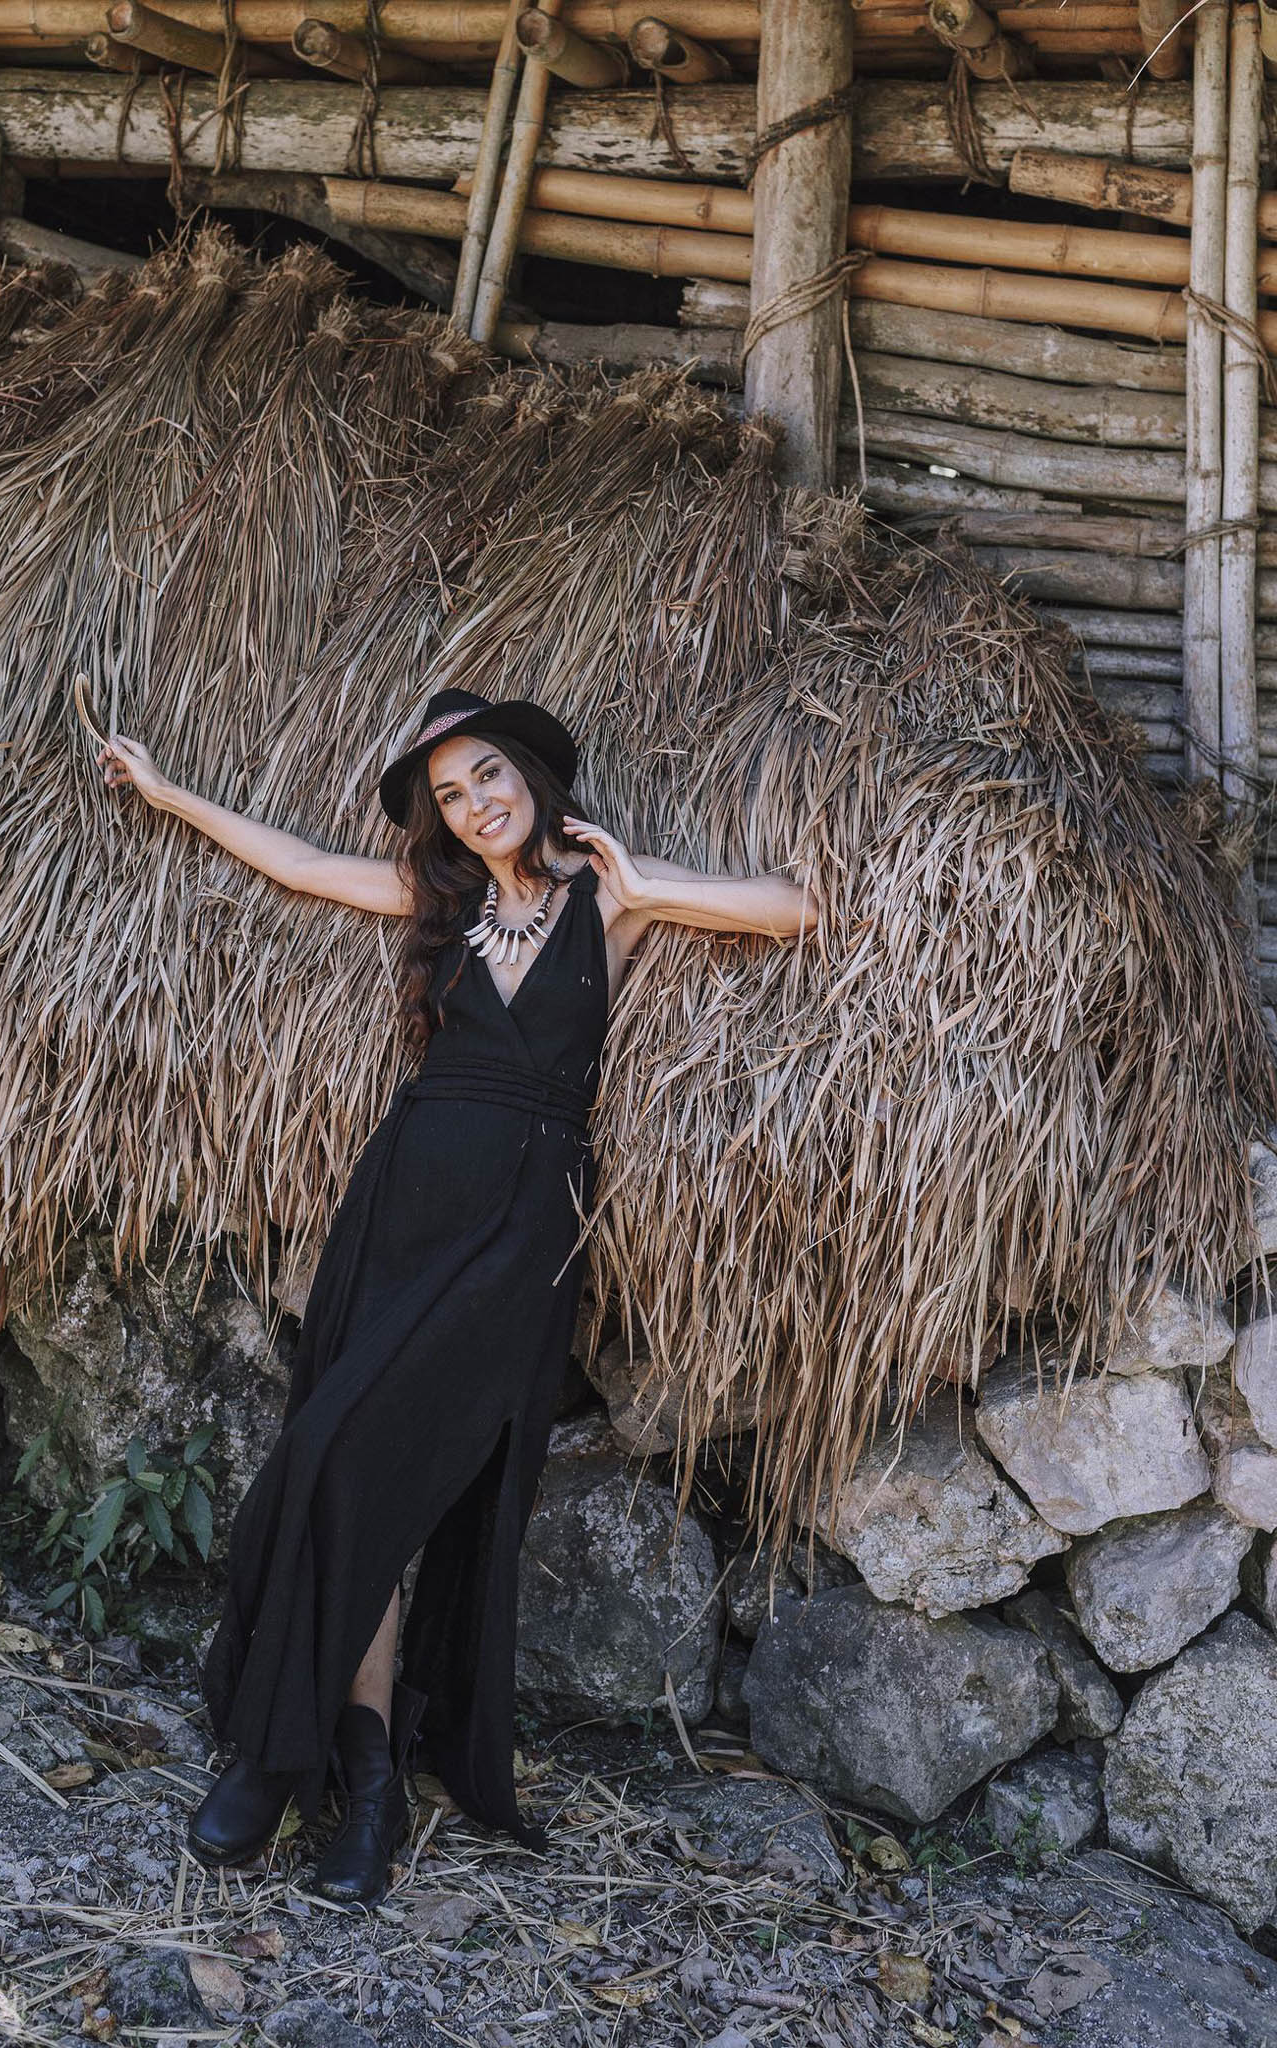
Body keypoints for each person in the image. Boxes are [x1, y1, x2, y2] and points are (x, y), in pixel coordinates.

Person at [95, 686, 818, 1908]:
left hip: (522, 1225)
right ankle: (346, 1782)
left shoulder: (607, 893)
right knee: (340, 1464)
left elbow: (792, 906)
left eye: (488, 775)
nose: (475, 805)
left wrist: (643, 883)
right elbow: (303, 865)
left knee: (371, 1465)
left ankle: (303, 1761)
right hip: (401, 1202)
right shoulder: (445, 904)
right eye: (449, 794)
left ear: (531, 773)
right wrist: (165, 789)